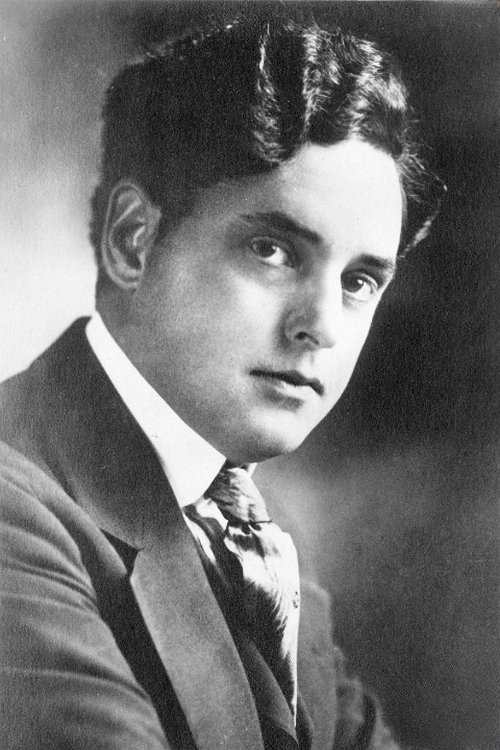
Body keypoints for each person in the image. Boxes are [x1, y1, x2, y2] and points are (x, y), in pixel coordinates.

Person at [0, 16, 440, 750]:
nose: (322, 327)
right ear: (132, 240)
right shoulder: (14, 511)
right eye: (272, 250)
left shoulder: (253, 538)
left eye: (360, 281)